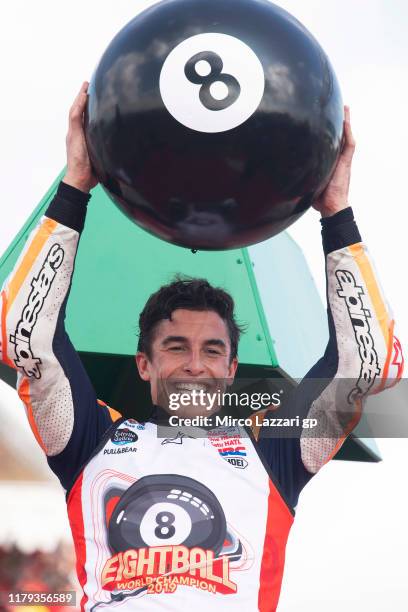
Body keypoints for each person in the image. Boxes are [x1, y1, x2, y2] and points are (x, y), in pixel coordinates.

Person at [0, 82, 403, 611]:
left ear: (233, 368)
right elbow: (26, 338)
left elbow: (365, 361)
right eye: (175, 347)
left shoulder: (274, 453)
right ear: (144, 364)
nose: (195, 365)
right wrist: (76, 185)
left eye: (212, 350)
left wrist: (336, 213)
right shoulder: (91, 442)